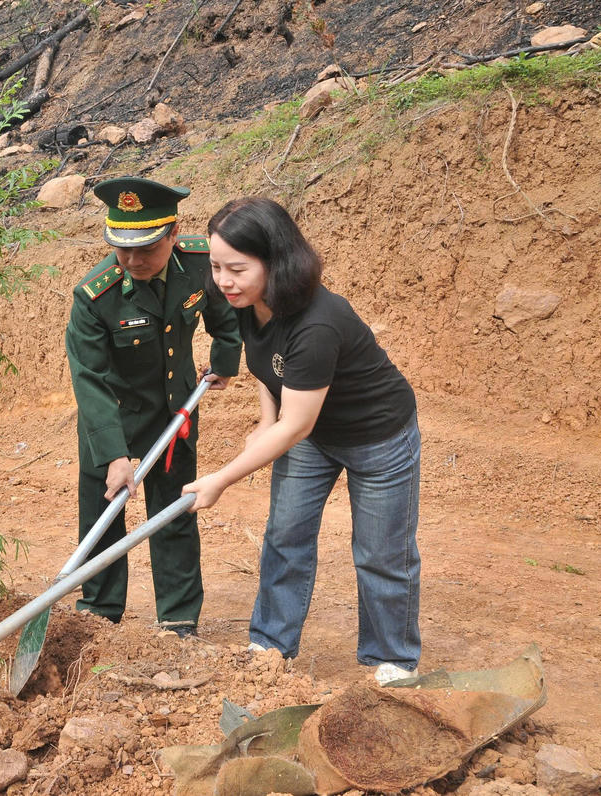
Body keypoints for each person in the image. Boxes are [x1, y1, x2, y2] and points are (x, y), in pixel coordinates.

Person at [181, 196, 420, 685]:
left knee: (380, 552)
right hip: (310, 428)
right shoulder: (249, 302)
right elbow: (271, 369)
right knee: (285, 535)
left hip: (377, 437)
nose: (223, 280)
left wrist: (222, 479)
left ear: (276, 261)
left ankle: (391, 661)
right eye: (216, 266)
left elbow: (297, 426)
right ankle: (269, 647)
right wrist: (265, 419)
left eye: (236, 268)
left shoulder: (317, 322)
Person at [66, 177, 242, 638]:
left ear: (172, 234)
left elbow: (224, 312)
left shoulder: (199, 262)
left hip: (175, 413)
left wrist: (225, 359)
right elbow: (90, 381)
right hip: (112, 419)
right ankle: (99, 616)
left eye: (145, 248)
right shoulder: (94, 298)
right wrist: (114, 456)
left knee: (175, 514)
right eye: (123, 250)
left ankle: (179, 620)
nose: (133, 260)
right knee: (102, 521)